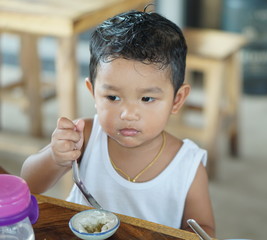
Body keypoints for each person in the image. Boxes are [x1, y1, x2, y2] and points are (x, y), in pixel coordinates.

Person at [21, 9, 215, 236]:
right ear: (93, 93)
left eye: (147, 98)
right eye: (112, 97)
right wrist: (55, 157)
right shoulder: (84, 136)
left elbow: (205, 229)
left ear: (176, 100)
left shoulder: (188, 165)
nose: (128, 114)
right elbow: (28, 185)